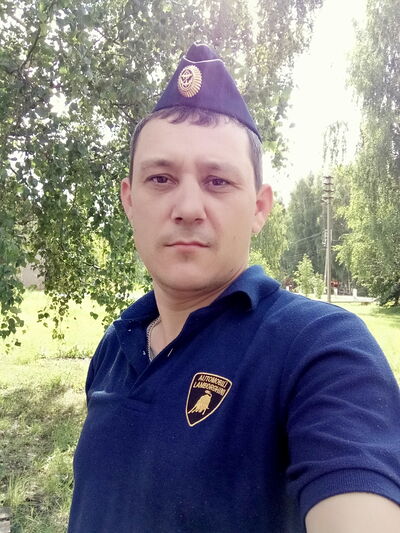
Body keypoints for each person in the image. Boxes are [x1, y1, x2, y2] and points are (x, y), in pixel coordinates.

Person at [68, 43, 400, 533]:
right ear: (129, 199)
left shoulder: (319, 349)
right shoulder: (114, 348)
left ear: (260, 208)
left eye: (218, 181)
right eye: (160, 178)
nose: (187, 208)